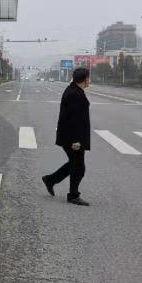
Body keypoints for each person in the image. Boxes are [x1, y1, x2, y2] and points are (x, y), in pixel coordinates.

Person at [42, 67, 91, 206]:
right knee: (79, 166)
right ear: (85, 79)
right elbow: (73, 119)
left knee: (74, 164)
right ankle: (73, 195)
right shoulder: (75, 94)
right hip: (72, 138)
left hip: (69, 136)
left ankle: (50, 180)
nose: (89, 80)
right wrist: (76, 140)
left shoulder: (74, 90)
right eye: (88, 78)